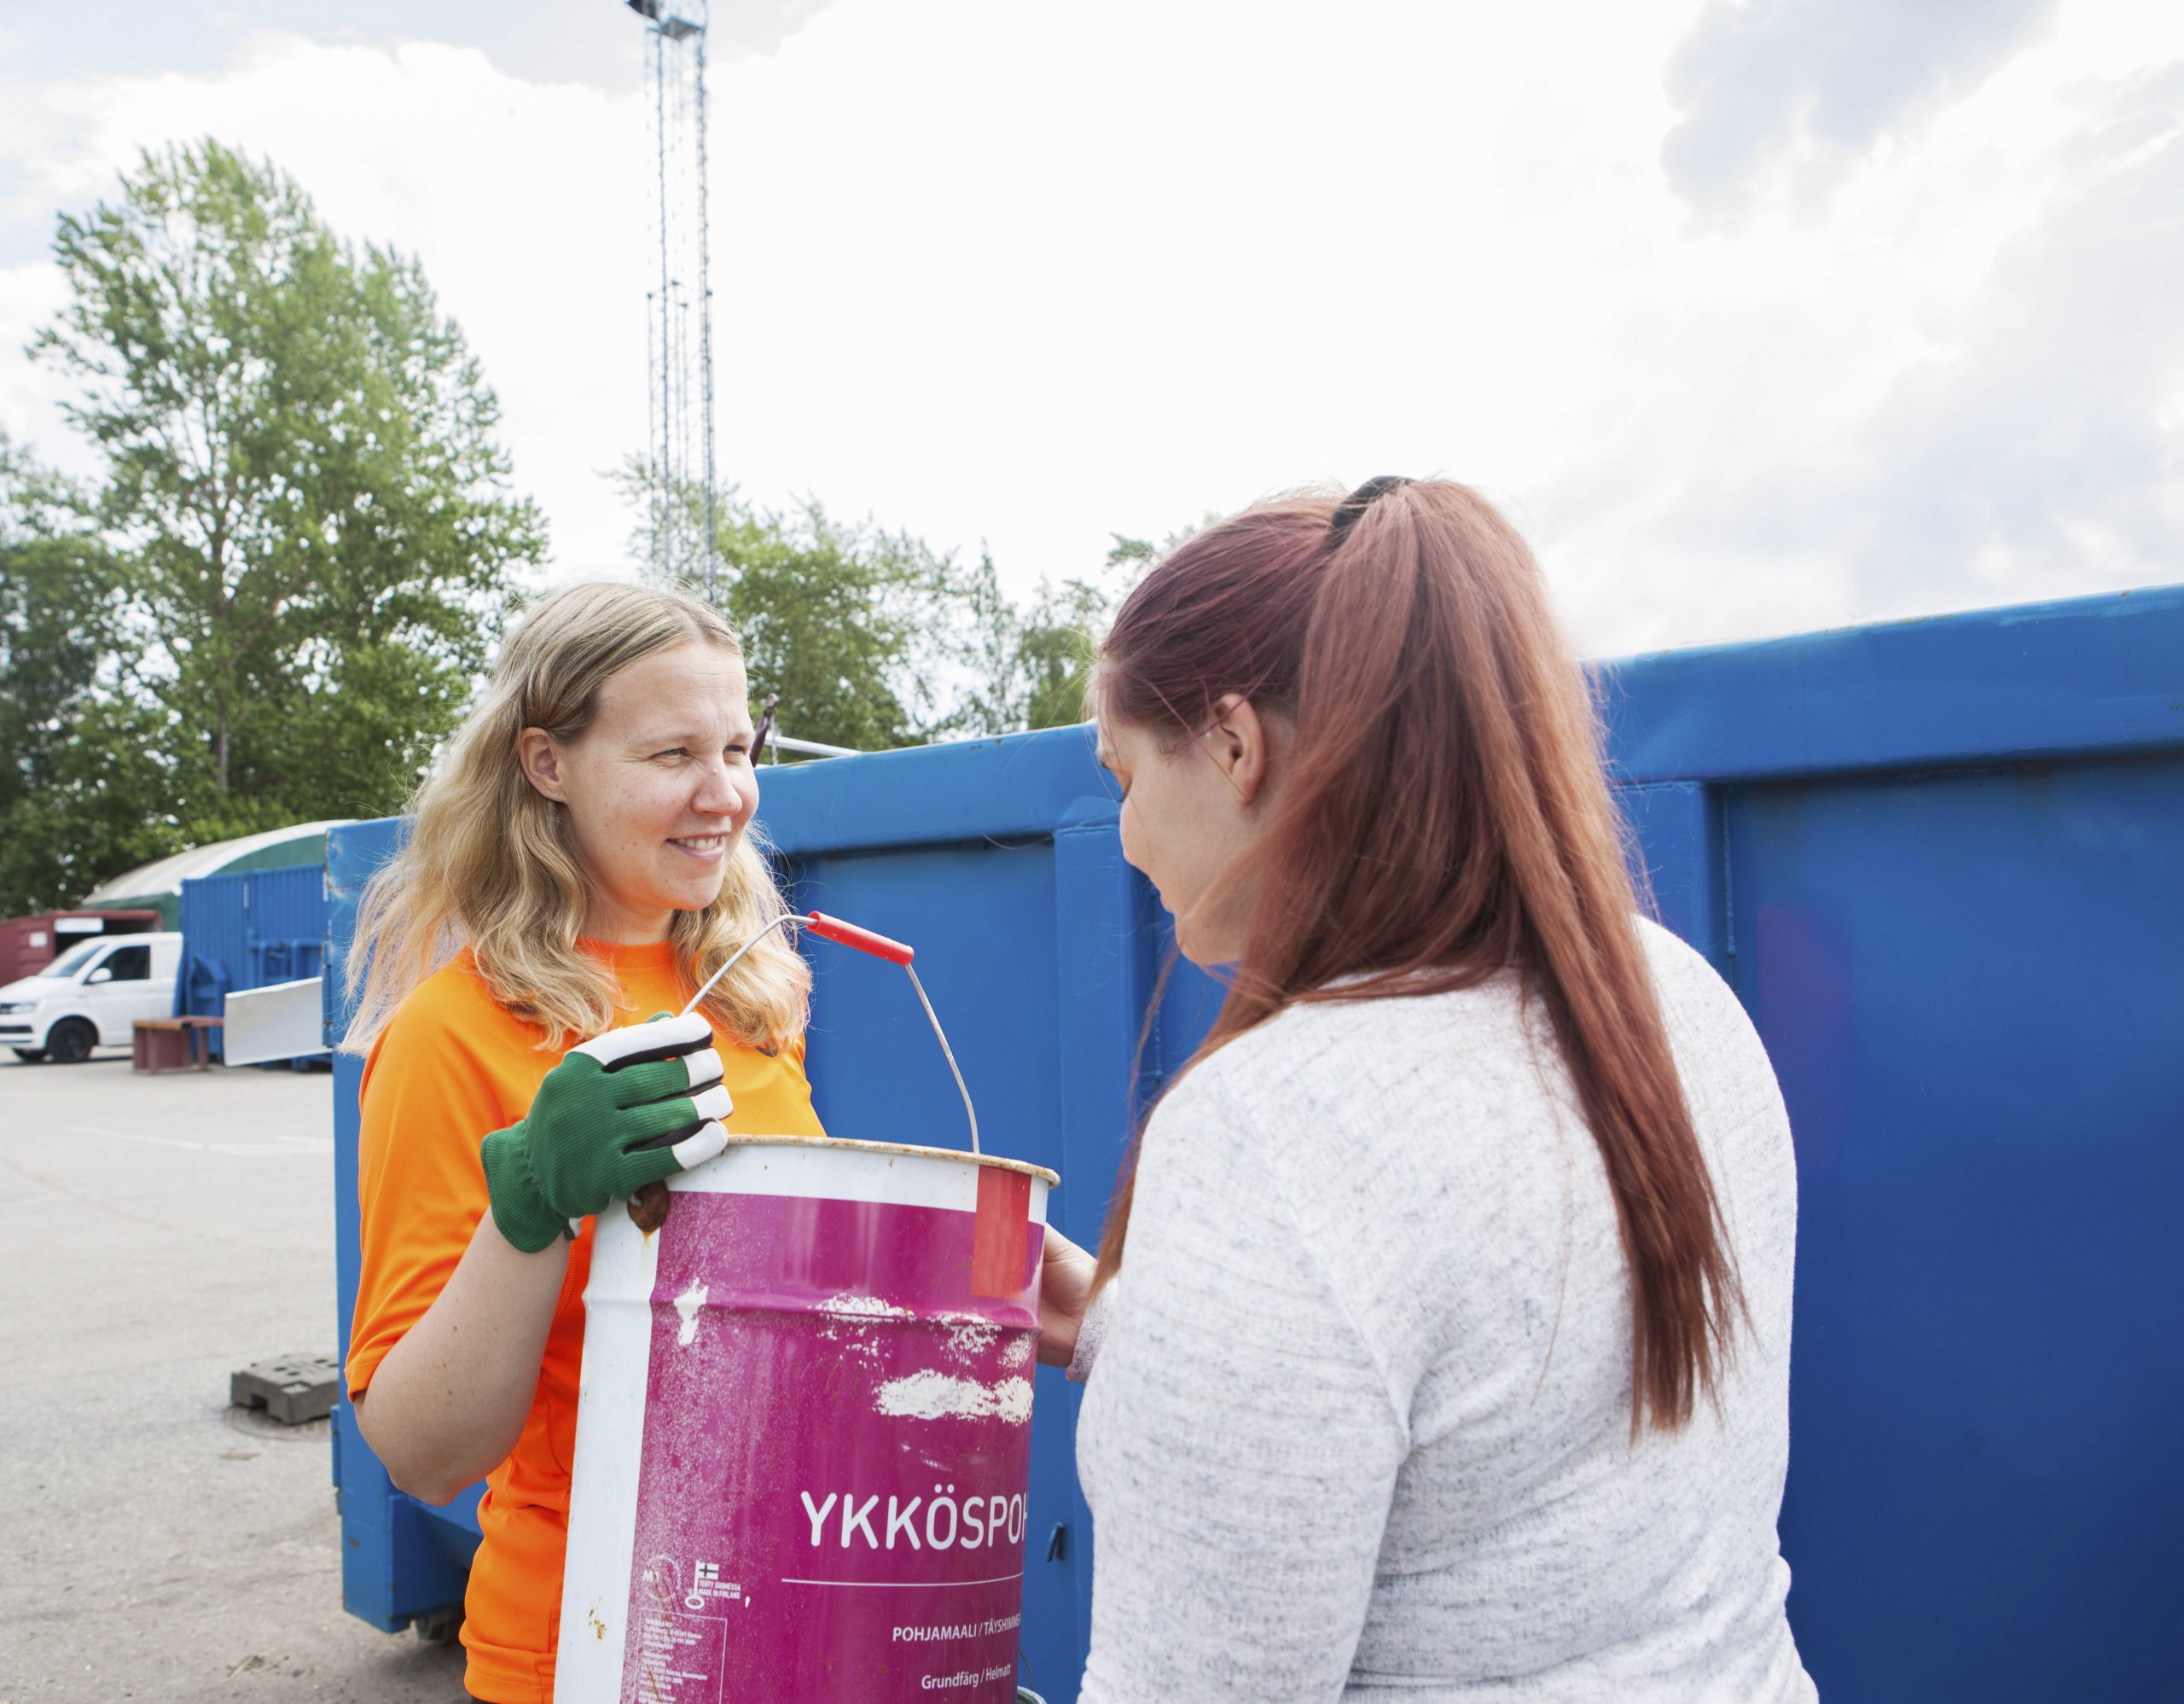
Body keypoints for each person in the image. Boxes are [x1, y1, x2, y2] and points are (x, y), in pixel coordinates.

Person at [1036, 480, 1815, 1701]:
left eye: (1124, 773)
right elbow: (1512, 1455)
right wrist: (1135, 1335)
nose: (1127, 834)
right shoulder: (1670, 1000)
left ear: (1235, 746)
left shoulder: (1272, 1128)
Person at [339, 582, 822, 1704]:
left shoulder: (752, 995)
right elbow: (420, 1449)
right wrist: (533, 1204)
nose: (726, 795)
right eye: (672, 755)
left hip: (782, 1619)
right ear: (547, 763)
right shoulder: (451, 1032)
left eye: (740, 748)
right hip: (579, 1645)